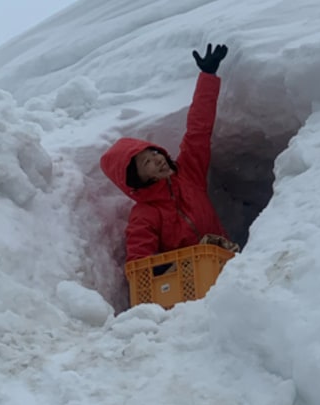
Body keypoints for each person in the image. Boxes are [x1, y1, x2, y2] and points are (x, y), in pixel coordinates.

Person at [100, 42, 238, 263]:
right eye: (146, 163)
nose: (157, 160)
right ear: (139, 179)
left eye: (153, 153)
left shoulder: (189, 176)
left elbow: (198, 130)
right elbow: (139, 259)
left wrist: (208, 76)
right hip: (190, 286)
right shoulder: (145, 214)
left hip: (228, 264)